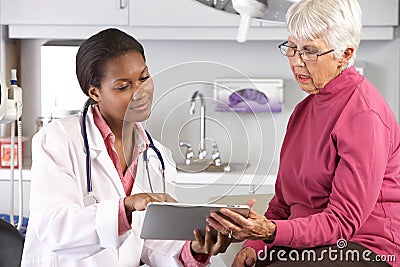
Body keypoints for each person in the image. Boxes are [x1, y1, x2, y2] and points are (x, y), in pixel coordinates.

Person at [207, 0, 400, 266]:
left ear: (345, 53)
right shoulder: (303, 111)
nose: (297, 62)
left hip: (362, 249)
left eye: (309, 51)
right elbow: (283, 204)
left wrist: (271, 232)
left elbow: (343, 222)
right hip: (309, 247)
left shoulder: (363, 115)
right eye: (292, 48)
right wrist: (253, 247)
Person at [21, 28, 231, 266]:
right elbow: (55, 229)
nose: (140, 92)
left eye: (143, 78)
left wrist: (195, 249)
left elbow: (154, 245)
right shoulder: (58, 139)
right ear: (95, 92)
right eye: (123, 86)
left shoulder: (158, 158)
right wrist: (127, 207)